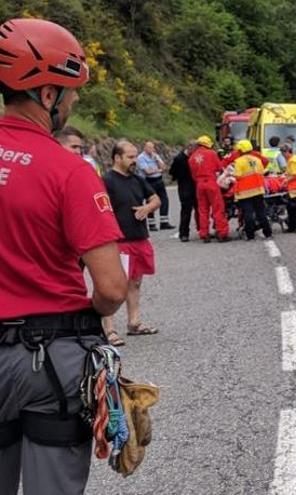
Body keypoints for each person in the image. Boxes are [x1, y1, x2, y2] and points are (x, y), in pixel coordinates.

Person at [0, 18, 128, 495]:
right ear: (48, 94)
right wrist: (92, 313)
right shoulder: (68, 171)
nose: (74, 101)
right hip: (48, 360)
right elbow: (113, 289)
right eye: (71, 91)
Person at [102, 139, 162, 343]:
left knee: (136, 282)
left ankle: (134, 322)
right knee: (113, 285)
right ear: (117, 158)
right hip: (118, 241)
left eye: (135, 156)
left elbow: (156, 199)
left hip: (139, 237)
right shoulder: (107, 180)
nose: (134, 160)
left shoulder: (137, 178)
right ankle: (108, 330)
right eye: (130, 157)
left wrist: (147, 208)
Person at [189, 135, 229, 243]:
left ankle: (204, 234)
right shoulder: (211, 153)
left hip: (199, 185)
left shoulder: (192, 157)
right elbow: (219, 168)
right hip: (211, 183)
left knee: (203, 210)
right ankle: (222, 233)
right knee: (218, 208)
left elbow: (193, 175)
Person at [231, 139, 273, 240]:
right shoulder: (257, 160)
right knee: (261, 212)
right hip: (258, 190)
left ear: (240, 150)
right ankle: (267, 232)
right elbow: (261, 172)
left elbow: (237, 176)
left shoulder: (239, 162)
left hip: (245, 192)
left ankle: (250, 235)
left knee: (248, 213)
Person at [136, 140, 174, 231]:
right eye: (149, 147)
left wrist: (156, 160)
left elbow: (164, 167)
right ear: (145, 148)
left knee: (164, 200)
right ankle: (152, 224)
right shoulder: (141, 158)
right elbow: (147, 172)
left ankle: (164, 222)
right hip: (149, 181)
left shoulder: (155, 156)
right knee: (151, 201)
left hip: (158, 180)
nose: (151, 149)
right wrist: (158, 170)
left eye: (152, 147)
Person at [169, 140, 199, 242]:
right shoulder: (179, 158)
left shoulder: (194, 157)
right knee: (186, 211)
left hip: (196, 186)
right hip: (184, 187)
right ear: (189, 148)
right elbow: (172, 171)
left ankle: (202, 230)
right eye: (194, 149)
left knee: (199, 209)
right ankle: (184, 233)